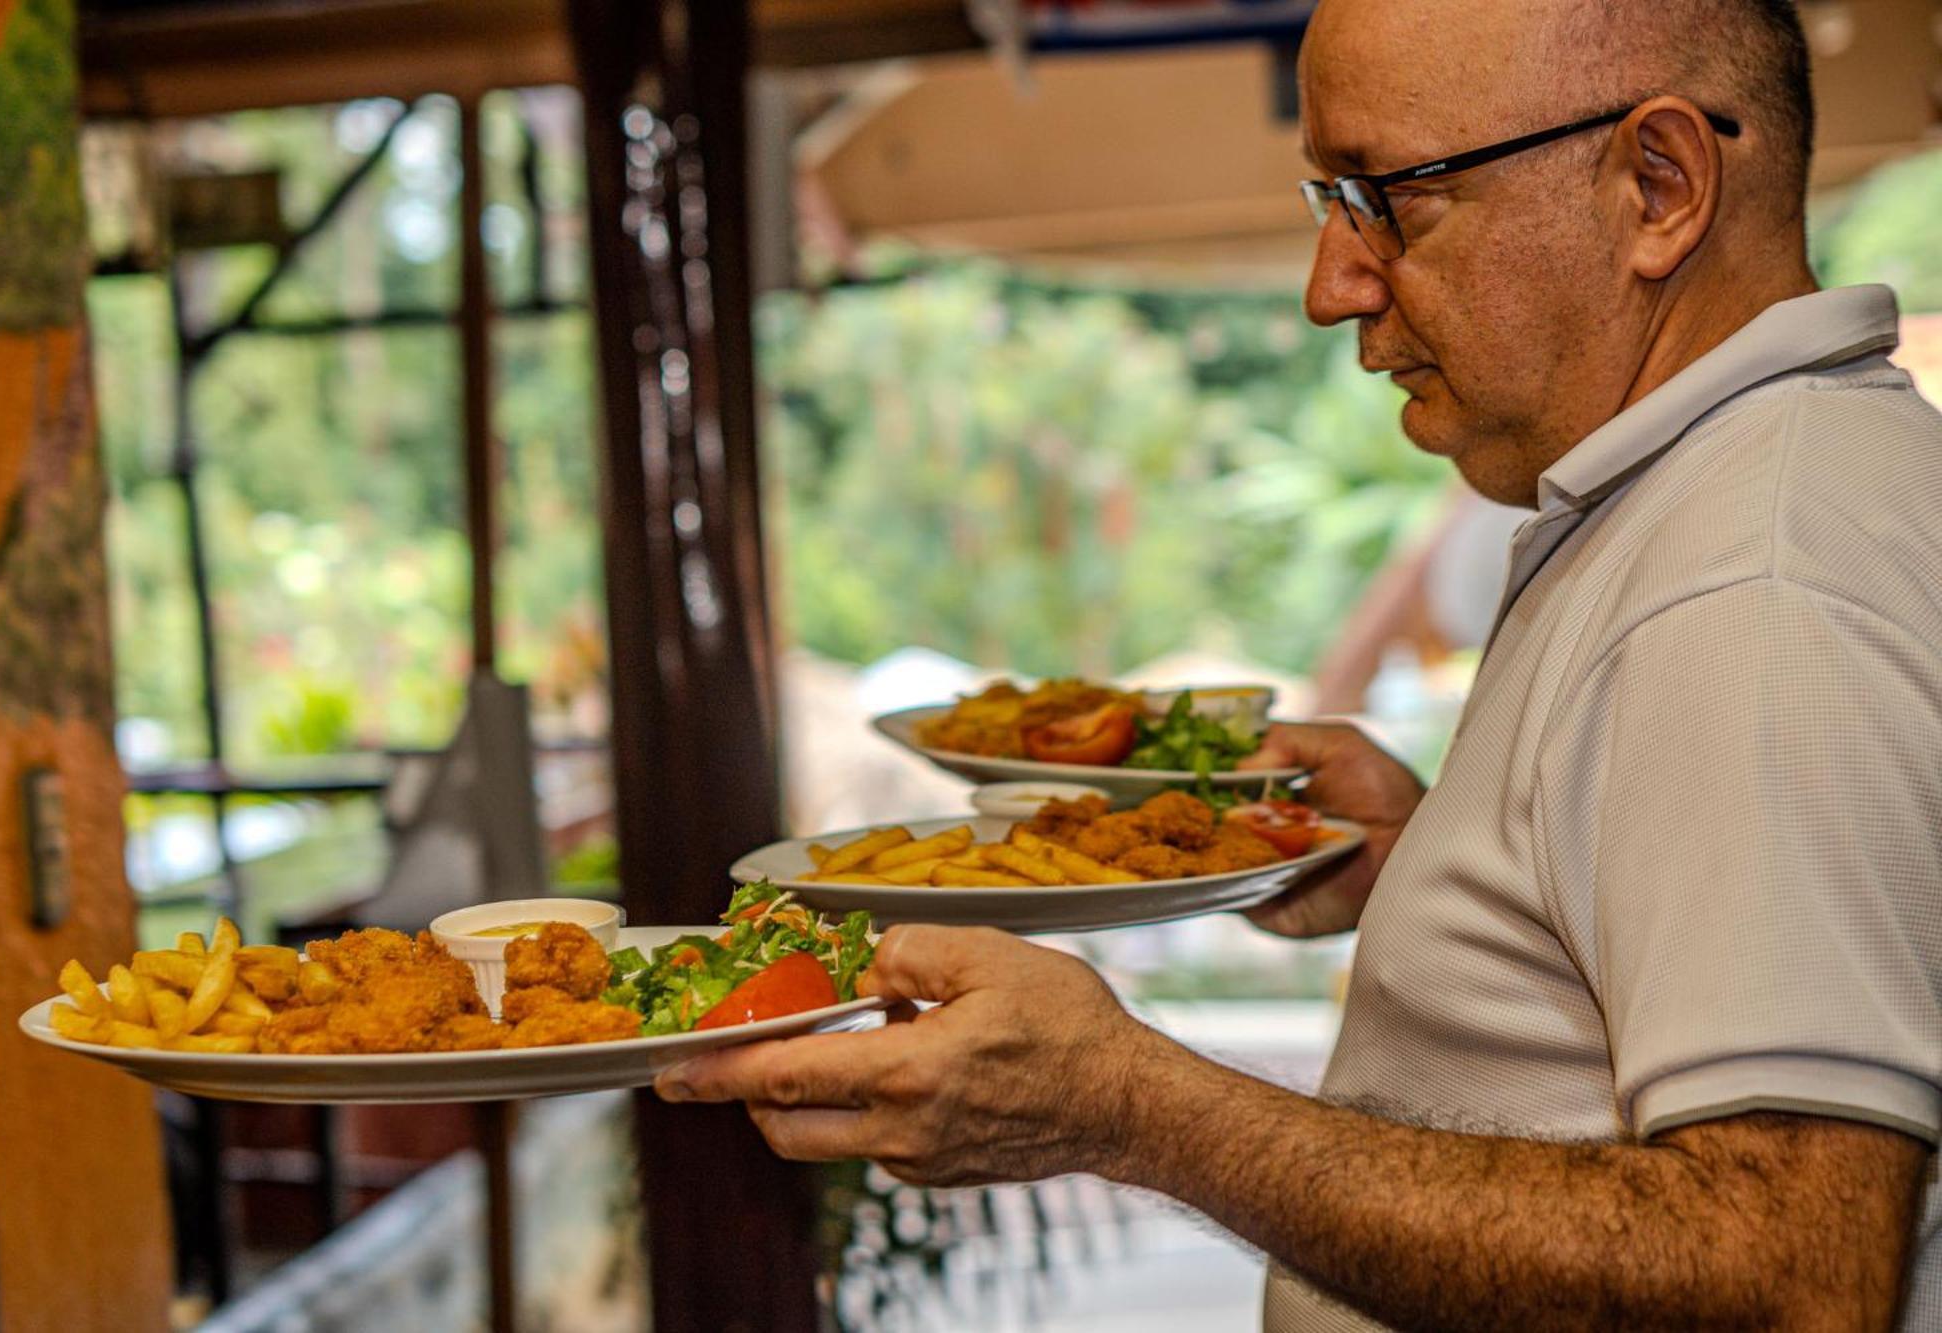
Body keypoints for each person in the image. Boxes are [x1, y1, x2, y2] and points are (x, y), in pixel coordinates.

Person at [660, 0, 1942, 1325]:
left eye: (1388, 198)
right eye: (1329, 197)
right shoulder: (1733, 502)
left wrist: (1137, 1106)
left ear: (1657, 188)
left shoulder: (1758, 576)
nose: (1331, 283)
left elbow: (1787, 1275)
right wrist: (1453, 862)